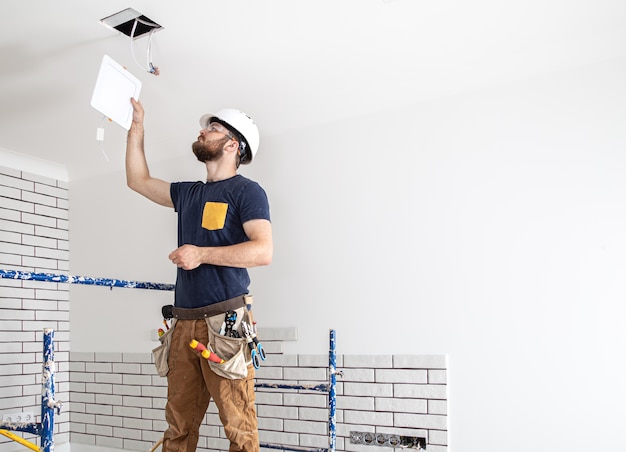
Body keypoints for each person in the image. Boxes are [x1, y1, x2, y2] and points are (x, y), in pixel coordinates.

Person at [126, 98, 273, 452]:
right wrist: (137, 128)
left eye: (213, 129)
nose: (202, 131)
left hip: (225, 325)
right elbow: (138, 180)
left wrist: (202, 253)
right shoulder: (189, 193)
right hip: (184, 324)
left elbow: (262, 251)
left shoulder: (247, 192)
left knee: (239, 430)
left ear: (231, 144)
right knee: (178, 427)